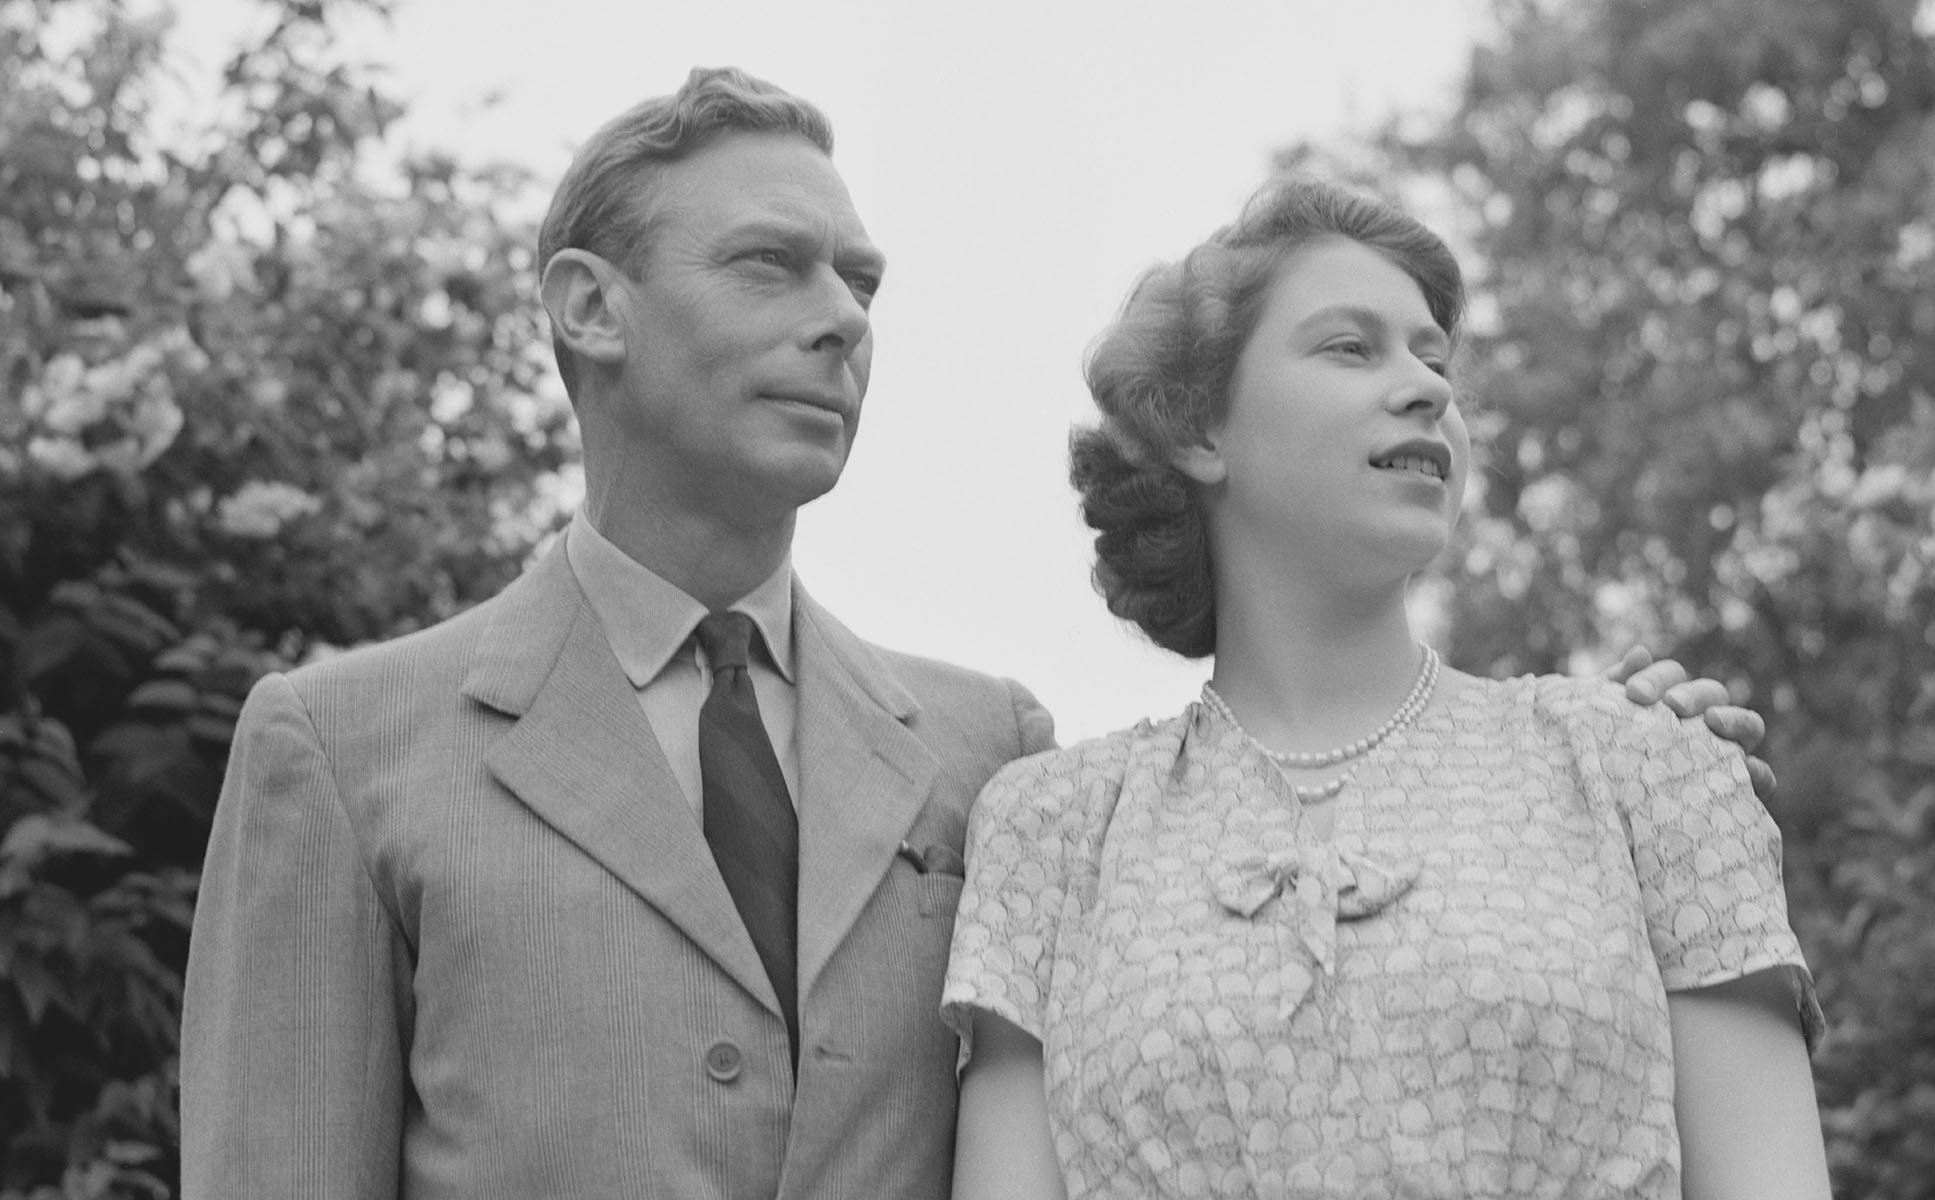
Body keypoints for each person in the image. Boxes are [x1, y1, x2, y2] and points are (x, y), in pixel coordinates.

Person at [179, 70, 1776, 1199]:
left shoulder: (984, 759)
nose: (841, 317)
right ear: (590, 307)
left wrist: (1612, 766)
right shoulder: (344, 749)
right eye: (771, 265)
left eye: (861, 282)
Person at [944, 179, 1831, 1198]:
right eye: (1349, 348)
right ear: (1198, 430)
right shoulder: (1052, 835)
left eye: (1433, 359)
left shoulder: (1645, 767)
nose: (1426, 389)